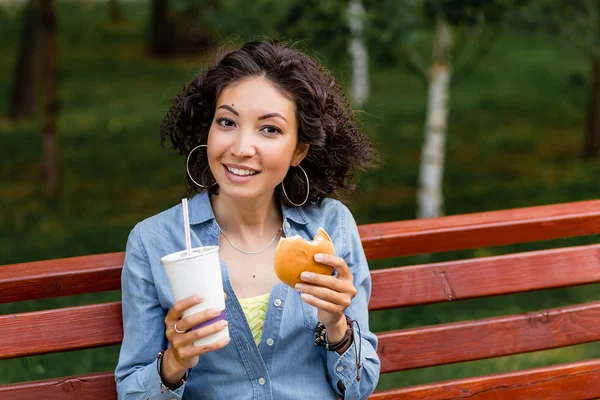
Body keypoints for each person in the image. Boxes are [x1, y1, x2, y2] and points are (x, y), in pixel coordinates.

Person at [115, 40, 381, 399]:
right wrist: (174, 363)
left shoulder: (330, 228)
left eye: (269, 129)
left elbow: (359, 389)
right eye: (227, 122)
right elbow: (132, 392)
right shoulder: (155, 241)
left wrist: (337, 326)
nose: (241, 147)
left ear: (299, 150)